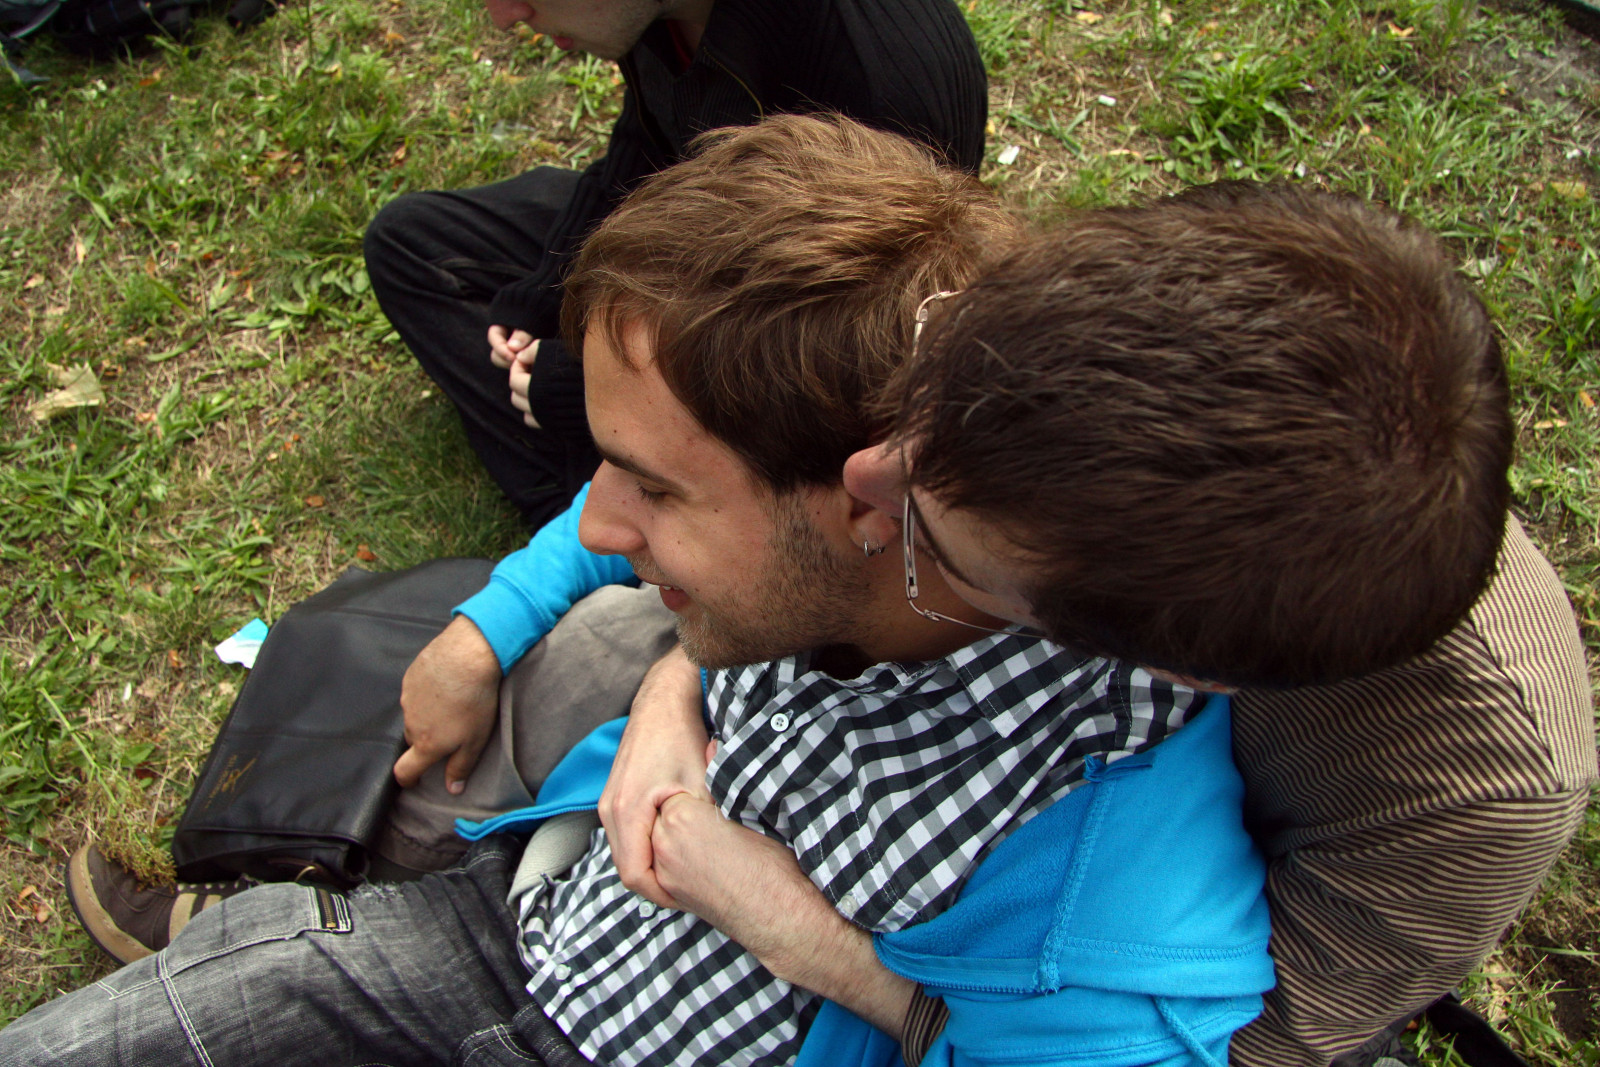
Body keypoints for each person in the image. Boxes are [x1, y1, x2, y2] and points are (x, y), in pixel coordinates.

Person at [19, 116, 1273, 1067]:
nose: (600, 524)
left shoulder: (1097, 839)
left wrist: (817, 946)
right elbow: (649, 533)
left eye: (657, 489)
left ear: (866, 496)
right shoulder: (853, 546)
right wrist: (634, 674)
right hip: (512, 927)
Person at [838, 182, 1598, 1065]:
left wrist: (797, 932)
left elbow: (1236, 1050)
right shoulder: (1182, 308)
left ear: (1181, 673)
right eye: (941, 353)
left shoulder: (1481, 793)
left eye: (932, 551)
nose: (863, 470)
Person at [362, 0, 987, 528]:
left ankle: (597, 522)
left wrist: (588, 385)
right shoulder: (653, 13)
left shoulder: (877, 78)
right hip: (703, 237)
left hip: (790, 338)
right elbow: (645, 149)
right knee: (415, 243)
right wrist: (547, 292)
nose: (505, 16)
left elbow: (837, 358)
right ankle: (609, 491)